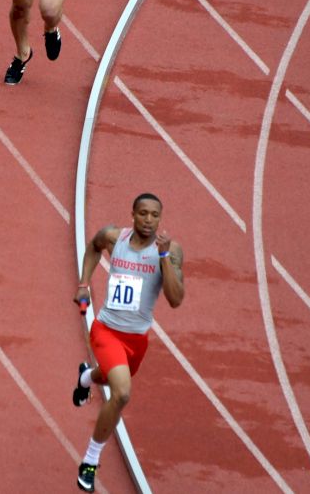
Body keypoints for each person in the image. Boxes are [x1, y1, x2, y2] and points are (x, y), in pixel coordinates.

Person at [71, 193, 184, 492]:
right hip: (107, 330)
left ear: (161, 218)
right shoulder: (113, 237)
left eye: (154, 215)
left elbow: (175, 299)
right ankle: (90, 461)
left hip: (137, 341)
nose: (149, 220)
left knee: (107, 376)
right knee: (120, 393)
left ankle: (85, 377)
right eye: (143, 214)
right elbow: (93, 248)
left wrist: (163, 259)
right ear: (132, 214)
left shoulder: (170, 252)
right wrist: (84, 284)